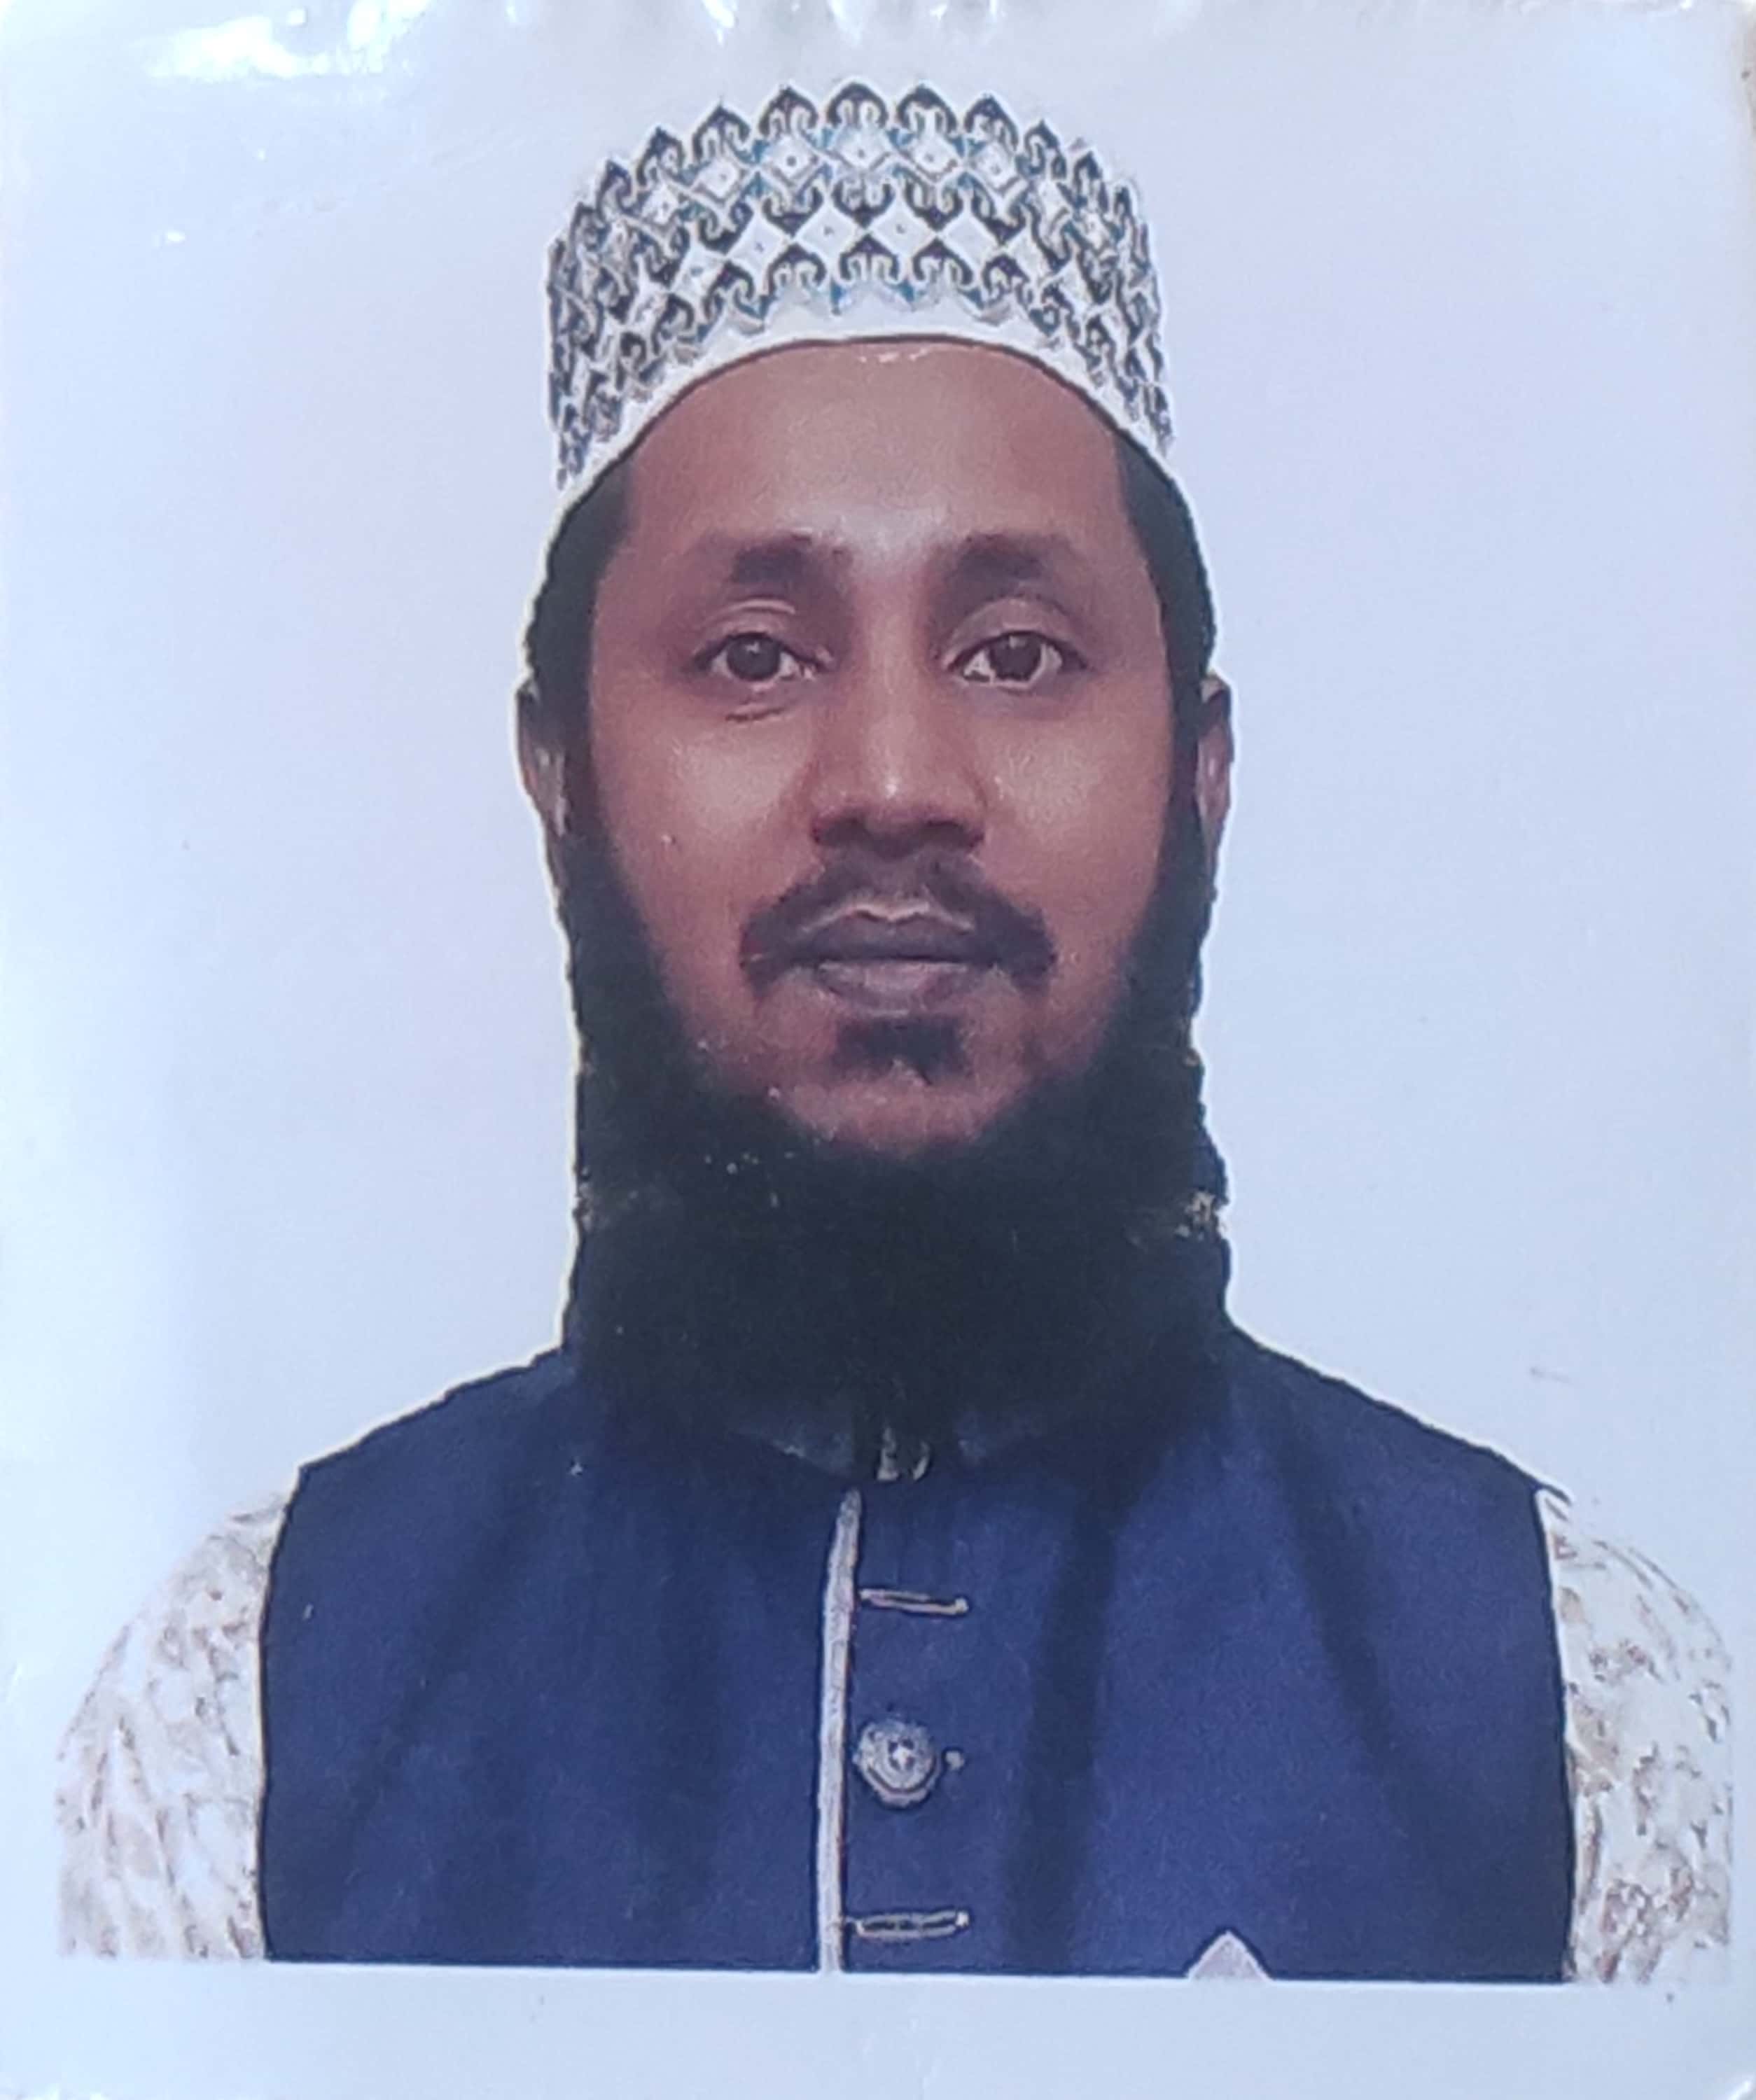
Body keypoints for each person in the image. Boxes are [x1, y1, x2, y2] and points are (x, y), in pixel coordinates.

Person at [59, 80, 1729, 1981]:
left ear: (1198, 776)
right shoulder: (244, 1709)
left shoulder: (1571, 1698)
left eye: (1015, 654)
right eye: (753, 656)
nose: (892, 782)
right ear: (562, 779)